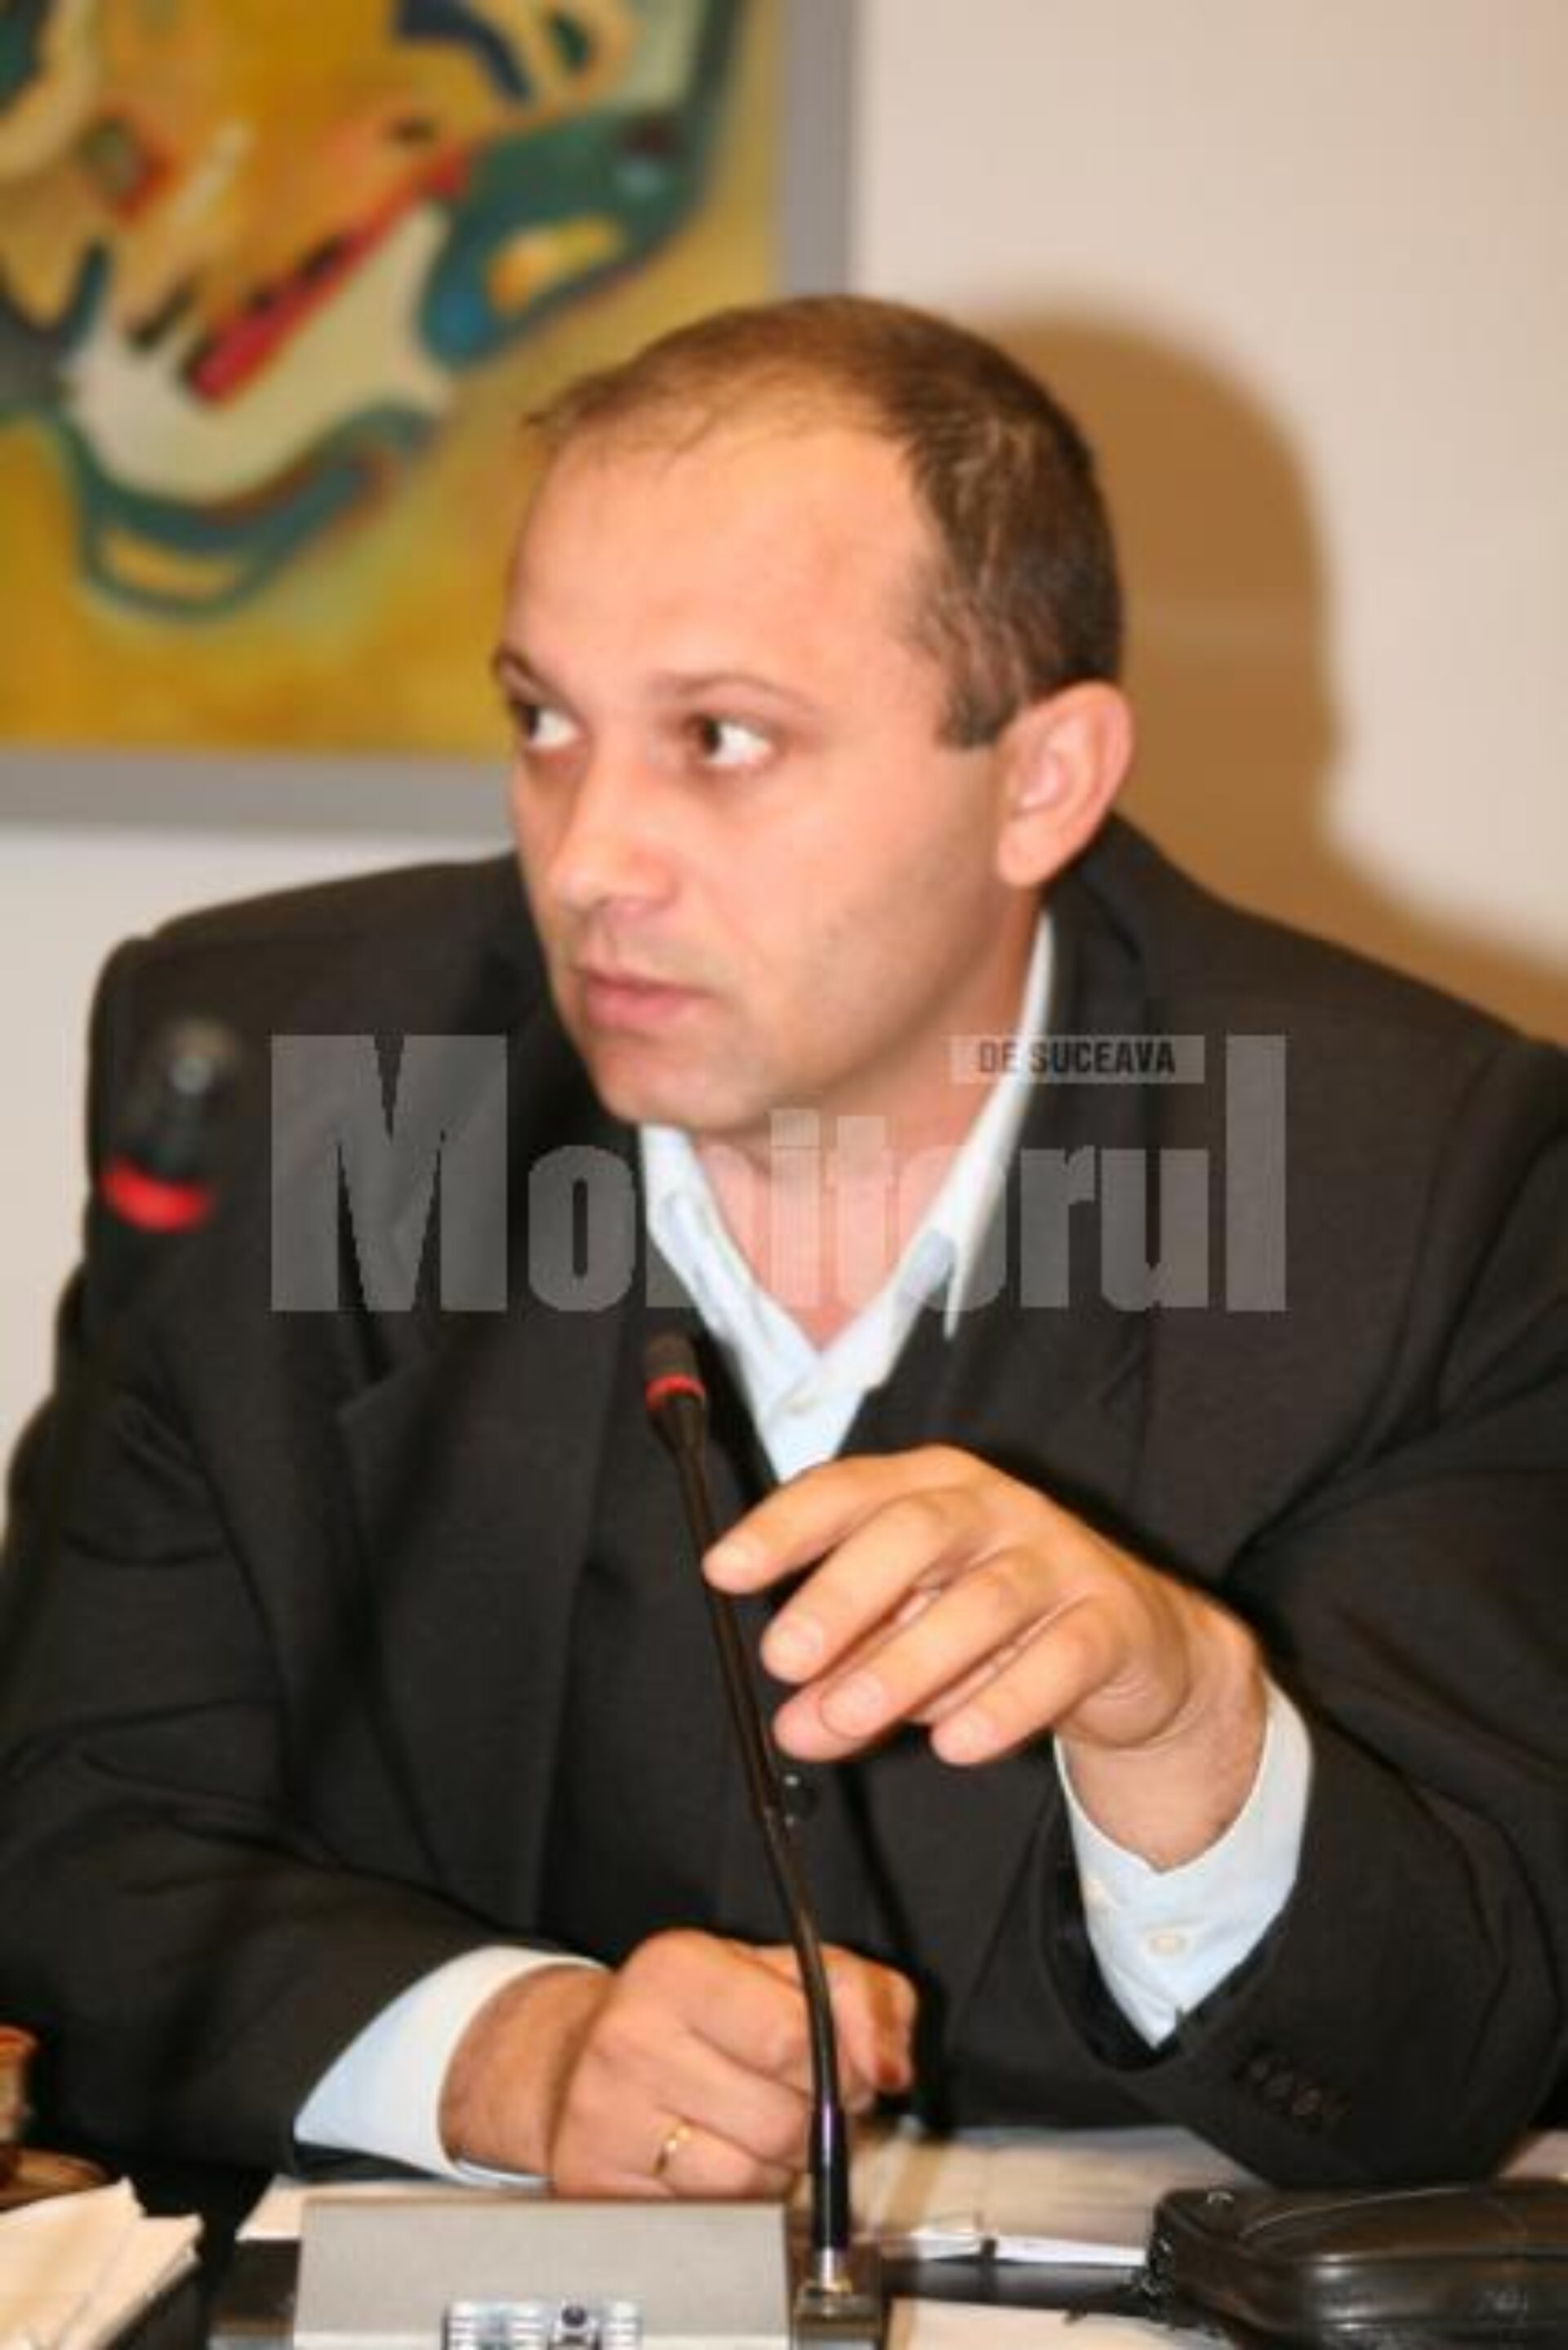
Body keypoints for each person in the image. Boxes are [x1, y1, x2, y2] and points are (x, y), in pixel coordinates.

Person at [1, 297, 1564, 2202]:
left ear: (1043, 779)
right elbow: (75, 1831)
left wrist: (1190, 1726)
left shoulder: (1413, 1176)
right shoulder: (301, 1082)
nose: (589, 859)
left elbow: (1458, 2045)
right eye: (543, 721)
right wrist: (506, 2050)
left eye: (722, 738)